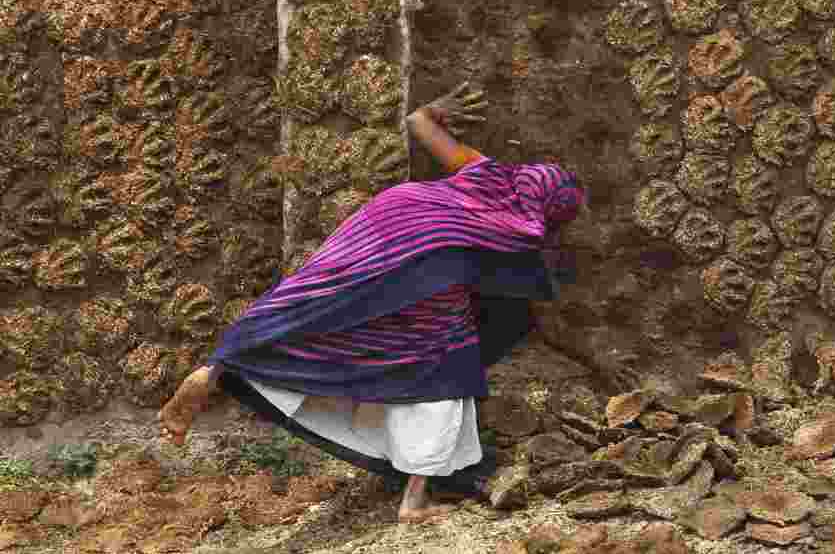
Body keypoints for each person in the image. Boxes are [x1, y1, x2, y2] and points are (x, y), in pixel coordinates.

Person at [157, 82, 586, 523]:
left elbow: (417, 121)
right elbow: (522, 283)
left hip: (390, 216)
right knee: (443, 365)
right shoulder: (520, 226)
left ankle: (216, 368)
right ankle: (414, 501)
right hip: (433, 253)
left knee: (314, 299)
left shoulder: (487, 170)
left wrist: (441, 108)